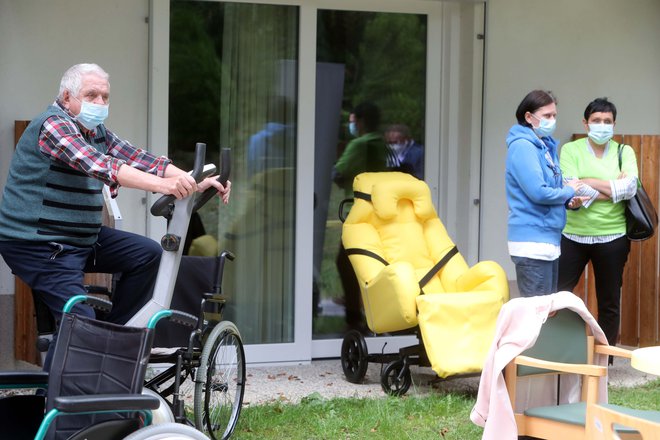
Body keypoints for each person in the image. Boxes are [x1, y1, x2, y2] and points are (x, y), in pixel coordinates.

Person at [0, 63, 231, 367]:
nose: (99, 103)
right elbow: (101, 166)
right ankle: (56, 404)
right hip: (40, 244)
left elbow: (142, 159)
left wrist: (194, 180)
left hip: (80, 238)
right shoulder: (53, 126)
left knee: (149, 254)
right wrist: (166, 186)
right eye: (91, 95)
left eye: (104, 97)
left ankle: (113, 337)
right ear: (67, 98)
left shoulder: (95, 131)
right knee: (78, 323)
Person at [557, 97, 637, 347]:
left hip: (613, 237)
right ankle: (558, 353)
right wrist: (613, 190)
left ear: (614, 124)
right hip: (572, 235)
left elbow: (631, 188)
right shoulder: (571, 150)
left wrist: (587, 182)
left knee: (609, 302)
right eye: (596, 120)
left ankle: (605, 359)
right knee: (557, 297)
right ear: (586, 122)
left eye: (607, 121)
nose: (602, 125)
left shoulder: (625, 152)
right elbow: (570, 186)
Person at [505, 90, 583, 297]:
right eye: (547, 116)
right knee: (535, 315)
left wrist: (568, 202)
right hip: (532, 243)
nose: (552, 120)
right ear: (528, 117)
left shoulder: (545, 146)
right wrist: (568, 191)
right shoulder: (523, 146)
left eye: (554, 115)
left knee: (546, 312)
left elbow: (552, 189)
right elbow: (538, 192)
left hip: (548, 241)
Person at [332, 102, 391, 331]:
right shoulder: (381, 144)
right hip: (381, 211)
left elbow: (339, 173)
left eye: (354, 120)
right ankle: (374, 312)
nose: (352, 124)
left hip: (358, 212)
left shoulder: (360, 144)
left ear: (362, 121)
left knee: (346, 262)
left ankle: (353, 317)